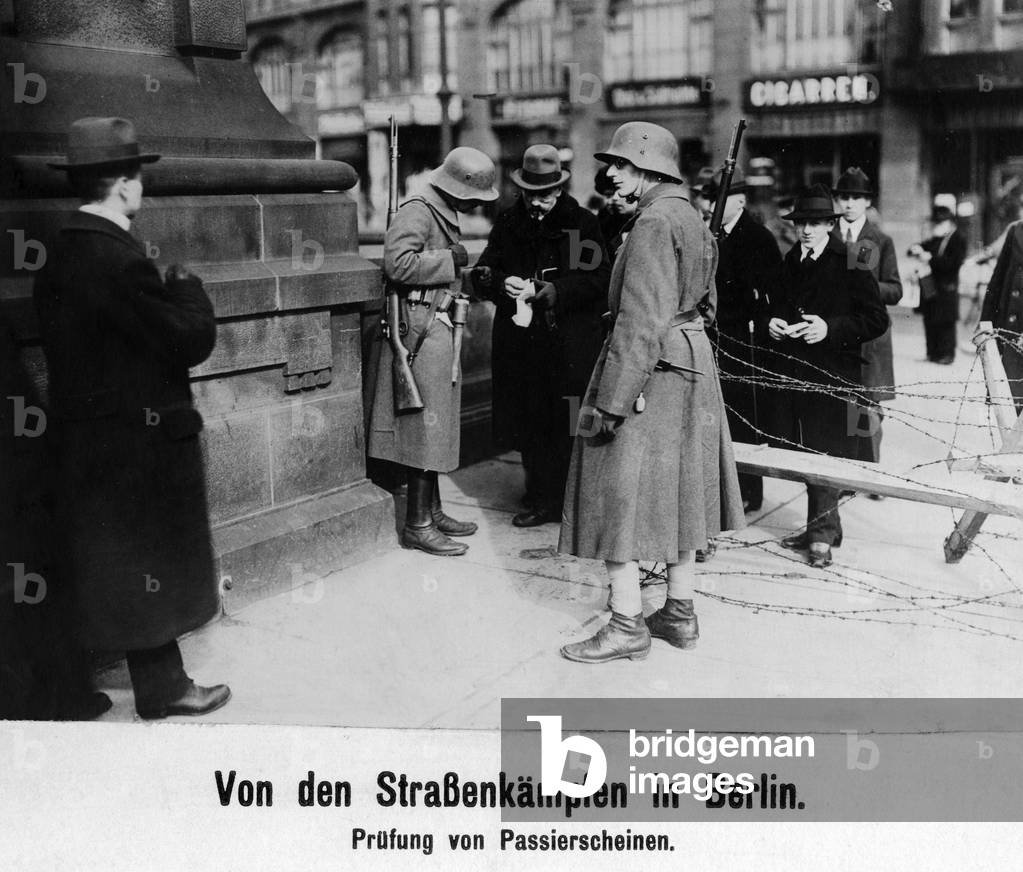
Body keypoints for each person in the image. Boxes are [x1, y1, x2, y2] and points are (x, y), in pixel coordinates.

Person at [33, 117, 231, 719]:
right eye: (137, 175)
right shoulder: (119, 259)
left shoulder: (62, 250)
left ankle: (69, 690)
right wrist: (189, 289)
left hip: (89, 437)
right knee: (150, 561)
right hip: (136, 442)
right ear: (122, 184)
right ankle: (165, 687)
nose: (141, 186)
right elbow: (183, 340)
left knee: (96, 562)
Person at [558, 122, 746, 663]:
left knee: (613, 493)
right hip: (690, 366)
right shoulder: (691, 219)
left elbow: (638, 321)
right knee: (680, 495)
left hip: (650, 367)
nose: (610, 173)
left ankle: (625, 623)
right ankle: (679, 613)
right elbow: (707, 306)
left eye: (619, 164)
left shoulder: (653, 224)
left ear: (649, 167)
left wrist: (613, 400)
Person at [367, 147, 499, 555]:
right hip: (420, 331)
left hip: (435, 324)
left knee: (435, 425)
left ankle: (432, 509)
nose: (476, 204)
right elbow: (398, 264)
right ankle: (418, 523)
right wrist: (451, 258)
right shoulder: (418, 211)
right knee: (424, 426)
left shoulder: (437, 211)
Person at [472, 145, 610, 527]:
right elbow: (486, 269)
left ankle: (570, 497)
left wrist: (557, 293)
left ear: (559, 189)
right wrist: (497, 281)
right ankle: (540, 496)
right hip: (521, 345)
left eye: (544, 195)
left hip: (567, 346)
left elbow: (597, 279)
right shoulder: (508, 222)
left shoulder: (580, 224)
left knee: (567, 422)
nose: (536, 203)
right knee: (530, 422)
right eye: (530, 194)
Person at [758, 185, 888, 568]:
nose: (808, 231)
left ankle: (822, 536)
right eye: (802, 224)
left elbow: (876, 319)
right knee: (807, 450)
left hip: (832, 374)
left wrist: (829, 329)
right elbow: (772, 305)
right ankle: (821, 526)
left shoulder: (850, 261)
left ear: (830, 224)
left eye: (815, 223)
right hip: (796, 370)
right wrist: (772, 323)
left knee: (826, 449)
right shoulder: (790, 260)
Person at [701, 172, 782, 514]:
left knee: (743, 413)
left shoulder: (758, 238)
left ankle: (749, 488)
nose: (712, 205)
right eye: (710, 199)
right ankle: (725, 485)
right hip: (714, 334)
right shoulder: (711, 234)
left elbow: (771, 291)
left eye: (720, 198)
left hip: (743, 338)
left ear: (740, 201)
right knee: (717, 413)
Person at [831, 167, 903, 469]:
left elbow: (895, 289)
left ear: (867, 203)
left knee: (869, 406)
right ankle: (844, 471)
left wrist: (865, 287)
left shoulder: (880, 239)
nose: (848, 204)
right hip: (838, 331)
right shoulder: (828, 234)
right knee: (839, 403)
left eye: (856, 198)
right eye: (844, 197)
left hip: (871, 336)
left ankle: (870, 469)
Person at [909, 206, 966, 365]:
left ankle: (946, 355)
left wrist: (930, 258)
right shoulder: (938, 238)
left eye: (939, 223)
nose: (936, 226)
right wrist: (916, 249)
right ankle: (932, 353)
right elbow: (922, 246)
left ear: (949, 223)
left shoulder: (957, 239)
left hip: (947, 286)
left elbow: (953, 264)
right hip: (932, 285)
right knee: (930, 318)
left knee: (946, 322)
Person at [979, 217, 1023, 410]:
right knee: (1010, 408)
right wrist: (985, 325)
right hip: (1011, 334)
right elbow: (997, 282)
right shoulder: (1016, 230)